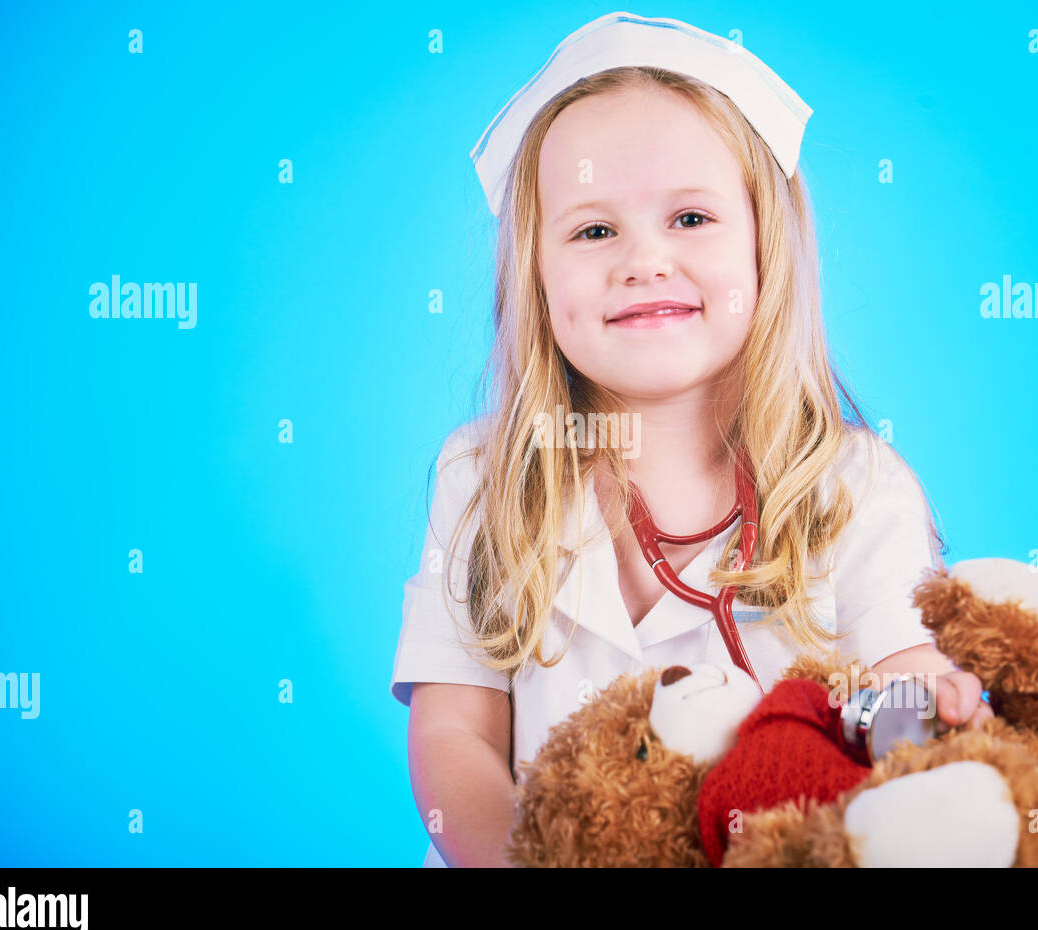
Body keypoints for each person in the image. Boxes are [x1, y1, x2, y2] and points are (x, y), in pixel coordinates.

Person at [390, 12, 993, 868]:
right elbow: (454, 734)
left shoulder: (857, 488)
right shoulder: (482, 478)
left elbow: (896, 674)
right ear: (534, 271)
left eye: (691, 218)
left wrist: (933, 701)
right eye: (594, 230)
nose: (643, 260)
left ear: (766, 246)